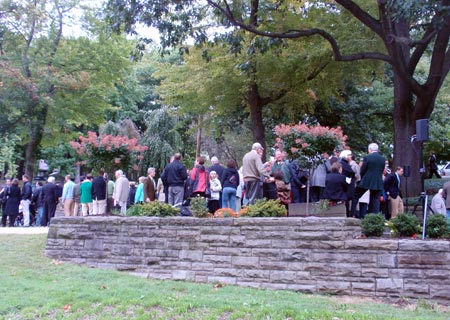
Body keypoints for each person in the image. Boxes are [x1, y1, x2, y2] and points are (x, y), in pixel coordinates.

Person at [351, 143, 386, 218]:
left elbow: (363, 170)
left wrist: (363, 178)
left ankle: (352, 214)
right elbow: (382, 170)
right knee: (375, 200)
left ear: (370, 149)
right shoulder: (383, 159)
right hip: (378, 181)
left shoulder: (367, 157)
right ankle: (375, 218)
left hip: (366, 181)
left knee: (355, 196)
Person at [339, 150, 356, 217]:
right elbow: (351, 173)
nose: (350, 157)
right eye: (349, 155)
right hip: (346, 186)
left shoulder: (344, 164)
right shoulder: (344, 164)